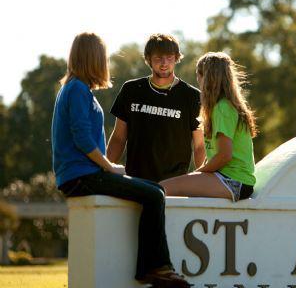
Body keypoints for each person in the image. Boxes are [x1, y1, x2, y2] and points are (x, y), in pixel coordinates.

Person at [52, 32, 190, 287]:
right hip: (81, 176)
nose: (106, 61)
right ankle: (156, 268)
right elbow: (82, 139)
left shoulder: (73, 88)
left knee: (154, 190)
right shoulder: (77, 90)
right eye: (103, 56)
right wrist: (109, 167)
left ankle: (152, 268)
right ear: (93, 58)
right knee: (154, 195)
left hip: (79, 174)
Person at [107, 33, 205, 183]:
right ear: (149, 59)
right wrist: (105, 170)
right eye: (159, 58)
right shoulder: (131, 89)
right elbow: (119, 137)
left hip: (174, 184)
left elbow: (199, 146)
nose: (164, 63)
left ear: (177, 58)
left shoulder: (192, 96)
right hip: (136, 180)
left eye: (170, 57)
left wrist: (199, 181)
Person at [160, 52, 257, 201]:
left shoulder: (223, 108)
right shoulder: (221, 107)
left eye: (199, 75)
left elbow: (225, 155)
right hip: (226, 177)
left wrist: (199, 172)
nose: (197, 80)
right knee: (167, 186)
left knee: (161, 188)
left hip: (234, 181)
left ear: (206, 78)